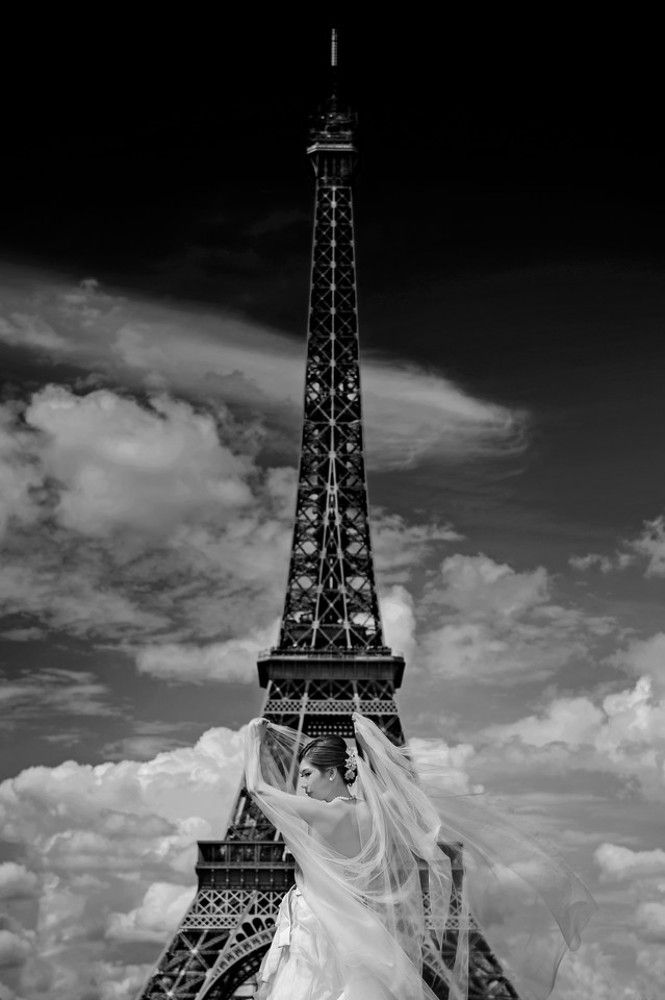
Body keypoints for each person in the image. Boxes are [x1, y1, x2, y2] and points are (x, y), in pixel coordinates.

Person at [244, 712, 596, 1000]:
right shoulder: (375, 812)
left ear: (333, 772)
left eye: (307, 774)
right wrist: (371, 742)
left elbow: (257, 788)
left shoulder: (323, 814)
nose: (302, 785)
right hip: (361, 924)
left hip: (318, 924)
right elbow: (405, 788)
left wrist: (253, 740)